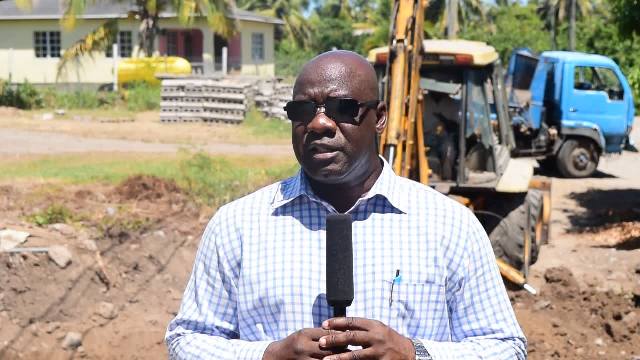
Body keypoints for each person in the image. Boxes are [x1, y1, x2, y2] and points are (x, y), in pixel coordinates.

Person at [165, 50, 526, 360]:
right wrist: (267, 354)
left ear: (379, 117)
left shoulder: (450, 225)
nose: (319, 122)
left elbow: (506, 347)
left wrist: (413, 352)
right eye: (303, 110)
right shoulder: (238, 226)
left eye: (342, 108)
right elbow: (187, 341)